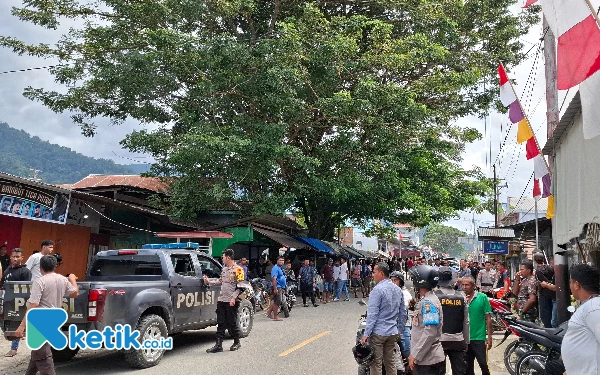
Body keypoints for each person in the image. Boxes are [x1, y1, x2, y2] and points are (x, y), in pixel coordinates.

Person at [14, 255, 79, 375]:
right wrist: (72, 279)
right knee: (38, 354)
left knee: (43, 358)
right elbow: (74, 294)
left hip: (41, 321)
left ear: (40, 268)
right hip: (54, 320)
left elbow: (33, 305)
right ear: (55, 266)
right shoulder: (62, 279)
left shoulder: (40, 282)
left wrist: (22, 326)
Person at [360, 263, 406, 375]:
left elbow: (372, 314)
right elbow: (403, 313)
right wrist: (400, 330)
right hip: (392, 333)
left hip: (378, 334)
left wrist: (366, 334)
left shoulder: (377, 290)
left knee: (376, 364)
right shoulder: (398, 290)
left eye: (374, 272)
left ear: (381, 273)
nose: (373, 275)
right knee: (390, 363)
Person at [560, 263, 600, 375]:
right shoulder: (590, 305)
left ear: (577, 285)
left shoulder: (593, 308)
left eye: (571, 282)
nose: (570, 286)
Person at [408, 264, 445, 375]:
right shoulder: (427, 299)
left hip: (428, 361)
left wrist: (415, 354)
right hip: (428, 359)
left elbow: (430, 332)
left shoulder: (428, 302)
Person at [206, 249, 245, 353]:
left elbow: (241, 287)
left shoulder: (239, 270)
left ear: (228, 257)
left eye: (223, 257)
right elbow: (220, 282)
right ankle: (218, 345)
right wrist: (209, 281)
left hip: (231, 301)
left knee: (232, 322)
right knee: (221, 323)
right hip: (222, 299)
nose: (222, 259)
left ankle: (237, 342)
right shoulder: (224, 270)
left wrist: (233, 298)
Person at [435, 266, 469, 375]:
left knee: (439, 371)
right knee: (459, 371)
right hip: (458, 340)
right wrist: (466, 341)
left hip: (439, 341)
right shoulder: (461, 297)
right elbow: (466, 322)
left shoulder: (434, 297)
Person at [1, 248, 32, 357]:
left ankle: (14, 349)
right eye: (13, 256)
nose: (15, 259)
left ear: (22, 258)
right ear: (10, 257)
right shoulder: (7, 270)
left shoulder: (25, 272)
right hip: (6, 300)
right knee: (5, 324)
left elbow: (26, 289)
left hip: (18, 302)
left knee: (16, 323)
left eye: (17, 257)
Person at [461, 276, 492, 375]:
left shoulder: (482, 297)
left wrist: (489, 337)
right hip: (465, 339)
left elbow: (488, 318)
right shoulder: (460, 298)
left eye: (467, 285)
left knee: (483, 364)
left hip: (479, 337)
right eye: (463, 285)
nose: (464, 287)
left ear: (474, 286)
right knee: (467, 367)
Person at [390, 271, 412, 359]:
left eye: (395, 280)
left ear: (401, 282)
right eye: (391, 280)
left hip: (403, 324)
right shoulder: (386, 292)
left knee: (407, 350)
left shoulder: (405, 294)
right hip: (389, 324)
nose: (393, 283)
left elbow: (404, 310)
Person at [533, 252, 556, 328]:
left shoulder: (538, 271)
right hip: (552, 294)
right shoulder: (550, 268)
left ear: (535, 260)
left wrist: (546, 285)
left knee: (546, 315)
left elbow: (544, 282)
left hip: (544, 294)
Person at [265, 256, 286, 321]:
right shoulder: (275, 268)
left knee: (276, 301)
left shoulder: (279, 268)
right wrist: (275, 288)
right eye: (280, 260)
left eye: (282, 260)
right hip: (277, 287)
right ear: (277, 261)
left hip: (280, 287)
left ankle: (268, 313)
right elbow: (274, 279)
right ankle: (275, 316)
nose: (281, 261)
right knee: (277, 302)